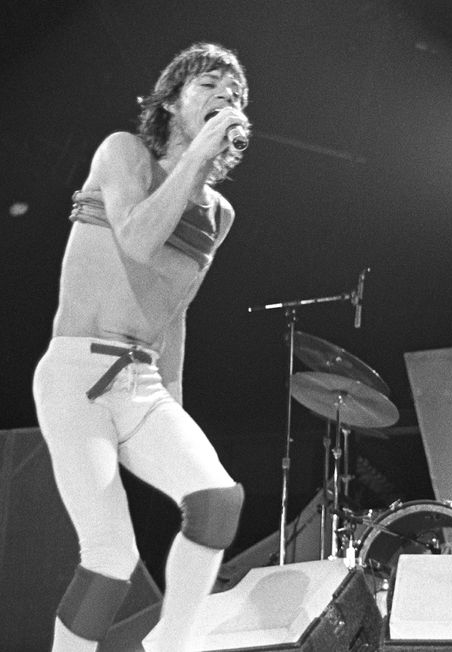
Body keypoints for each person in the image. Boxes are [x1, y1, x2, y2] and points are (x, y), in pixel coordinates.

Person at [31, 43, 251, 652]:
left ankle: (170, 645)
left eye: (234, 94)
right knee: (110, 559)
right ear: (172, 100)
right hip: (78, 373)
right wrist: (196, 158)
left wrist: (174, 404)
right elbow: (136, 240)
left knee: (217, 502)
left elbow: (175, 310)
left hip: (143, 380)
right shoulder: (124, 153)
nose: (225, 97)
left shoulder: (219, 213)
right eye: (210, 85)